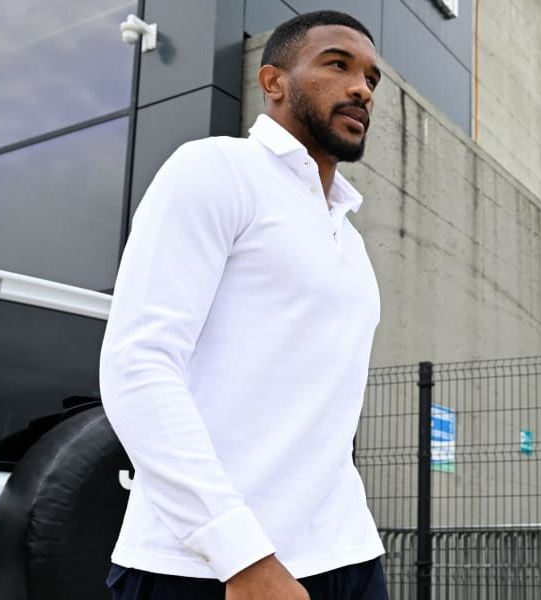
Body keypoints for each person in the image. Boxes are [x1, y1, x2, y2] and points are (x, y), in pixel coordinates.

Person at [99, 9, 387, 600]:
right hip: (205, 567)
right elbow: (138, 364)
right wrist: (241, 555)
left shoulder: (349, 237)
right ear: (273, 81)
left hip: (347, 554)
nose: (362, 88)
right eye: (338, 65)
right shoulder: (216, 170)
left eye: (371, 78)